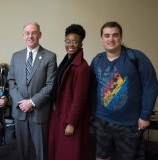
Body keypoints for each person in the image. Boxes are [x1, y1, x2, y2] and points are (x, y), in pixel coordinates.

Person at [90, 22, 158, 160]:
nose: (111, 39)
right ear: (101, 39)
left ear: (120, 37)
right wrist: (92, 114)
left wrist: (145, 116)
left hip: (129, 124)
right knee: (101, 156)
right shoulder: (97, 60)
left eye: (115, 35)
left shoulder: (136, 57)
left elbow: (151, 86)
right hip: (101, 121)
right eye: (107, 35)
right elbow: (92, 88)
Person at [7, 21, 57, 160]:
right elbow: (11, 81)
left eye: (34, 33)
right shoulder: (16, 56)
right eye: (27, 33)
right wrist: (20, 102)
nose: (30, 36)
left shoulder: (50, 56)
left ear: (40, 35)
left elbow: (51, 84)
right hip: (20, 110)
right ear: (23, 36)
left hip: (39, 111)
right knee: (21, 150)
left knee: (42, 150)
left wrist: (32, 102)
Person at [48, 24, 91, 160]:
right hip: (60, 113)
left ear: (81, 43)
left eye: (75, 41)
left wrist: (71, 122)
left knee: (69, 153)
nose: (70, 44)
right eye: (68, 41)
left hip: (70, 118)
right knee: (59, 151)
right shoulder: (66, 61)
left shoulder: (82, 67)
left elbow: (80, 98)